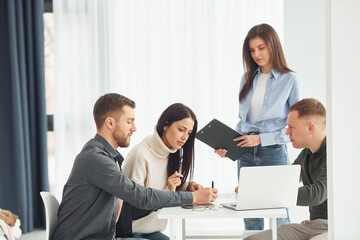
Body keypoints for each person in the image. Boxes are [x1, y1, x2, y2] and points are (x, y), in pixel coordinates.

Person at [51, 93, 218, 240]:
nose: (134, 128)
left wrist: (183, 189)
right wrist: (194, 198)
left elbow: (135, 200)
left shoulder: (108, 157)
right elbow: (141, 197)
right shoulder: (96, 159)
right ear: (110, 123)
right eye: (129, 121)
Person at [215, 23, 304, 230]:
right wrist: (229, 144)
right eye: (252, 50)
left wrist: (261, 139)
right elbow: (243, 122)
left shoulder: (292, 80)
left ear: (273, 46)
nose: (256, 54)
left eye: (261, 48)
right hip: (244, 152)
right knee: (249, 210)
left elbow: (294, 127)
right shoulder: (246, 79)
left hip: (273, 152)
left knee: (279, 212)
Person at [244, 98, 327, 240]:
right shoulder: (308, 152)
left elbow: (316, 194)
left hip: (336, 224)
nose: (287, 132)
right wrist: (253, 187)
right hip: (313, 225)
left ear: (310, 128)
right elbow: (286, 178)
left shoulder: (335, 152)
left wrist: (266, 193)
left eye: (291, 127)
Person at [119, 103, 202, 240]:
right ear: (165, 125)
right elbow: (133, 207)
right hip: (130, 231)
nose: (185, 137)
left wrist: (187, 186)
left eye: (189, 133)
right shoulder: (141, 155)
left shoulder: (171, 153)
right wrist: (168, 191)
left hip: (150, 230)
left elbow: (161, 183)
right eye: (181, 129)